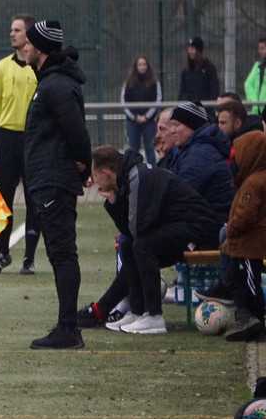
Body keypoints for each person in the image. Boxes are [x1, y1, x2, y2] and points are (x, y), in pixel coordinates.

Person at [90, 145, 220, 334]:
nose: (95, 182)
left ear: (106, 172)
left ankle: (154, 316)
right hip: (184, 226)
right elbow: (129, 233)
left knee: (142, 245)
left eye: (95, 176)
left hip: (199, 231)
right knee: (128, 244)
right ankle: (137, 311)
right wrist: (113, 200)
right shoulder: (129, 177)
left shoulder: (137, 179)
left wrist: (114, 202)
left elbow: (136, 229)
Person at [21, 21, 92, 349]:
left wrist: (83, 164)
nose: (23, 45)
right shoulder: (50, 82)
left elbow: (77, 131)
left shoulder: (55, 86)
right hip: (49, 178)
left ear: (41, 48)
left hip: (53, 180)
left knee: (63, 253)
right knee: (60, 253)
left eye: (29, 41)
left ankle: (68, 329)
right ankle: (67, 327)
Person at [0, 15, 40, 275]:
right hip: (7, 139)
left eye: (17, 30)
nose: (12, 34)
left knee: (34, 198)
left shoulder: (39, 67)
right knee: (0, 199)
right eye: (11, 29)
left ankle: (29, 257)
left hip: (33, 140)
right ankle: (3, 253)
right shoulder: (2, 66)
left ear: (29, 35)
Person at [217, 132, 266, 341]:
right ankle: (250, 318)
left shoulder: (253, 183)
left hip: (249, 244)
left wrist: (232, 229)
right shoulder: (255, 179)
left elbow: (246, 214)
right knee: (241, 278)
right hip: (250, 243)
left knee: (249, 281)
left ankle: (256, 321)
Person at [165, 101, 234, 225]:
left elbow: (181, 194)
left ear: (192, 125)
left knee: (147, 241)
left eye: (176, 124)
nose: (172, 131)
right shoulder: (190, 150)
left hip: (211, 224)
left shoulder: (201, 154)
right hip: (203, 220)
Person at [120, 55, 162, 165]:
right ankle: (134, 171)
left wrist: (146, 116)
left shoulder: (154, 82)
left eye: (144, 64)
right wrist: (134, 116)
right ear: (136, 67)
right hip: (132, 122)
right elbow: (124, 102)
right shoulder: (128, 83)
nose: (142, 67)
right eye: (140, 65)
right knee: (133, 149)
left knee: (150, 148)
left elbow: (157, 100)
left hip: (149, 122)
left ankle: (153, 173)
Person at [178, 36, 219, 104]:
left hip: (205, 108)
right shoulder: (186, 71)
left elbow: (214, 91)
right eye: (189, 49)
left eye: (193, 49)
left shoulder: (209, 68)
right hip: (189, 108)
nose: (190, 52)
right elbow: (182, 92)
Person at [243, 38, 266, 115]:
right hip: (258, 110)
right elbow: (248, 84)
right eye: (259, 49)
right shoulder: (258, 66)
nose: (260, 51)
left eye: (262, 48)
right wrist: (254, 101)